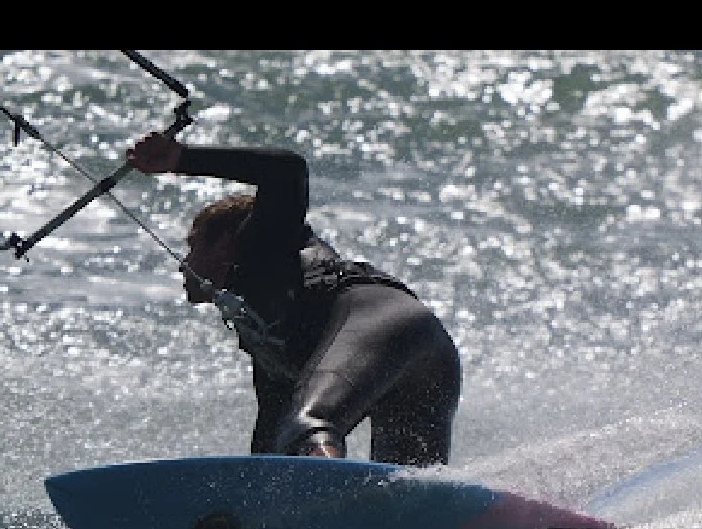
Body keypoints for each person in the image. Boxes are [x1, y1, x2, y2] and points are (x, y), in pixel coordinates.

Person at [126, 131, 462, 465]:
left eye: (194, 246)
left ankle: (323, 477)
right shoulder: (268, 336)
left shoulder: (263, 246)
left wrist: (181, 159)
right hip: (426, 355)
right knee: (403, 492)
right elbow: (272, 447)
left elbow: (288, 171)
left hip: (377, 319)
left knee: (308, 427)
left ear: (227, 242)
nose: (184, 264)